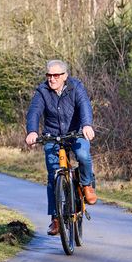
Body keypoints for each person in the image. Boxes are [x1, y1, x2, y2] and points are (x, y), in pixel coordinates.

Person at [25, 60, 97, 236]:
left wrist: (87, 125)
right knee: (52, 174)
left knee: (82, 155)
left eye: (56, 75)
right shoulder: (42, 91)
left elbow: (85, 106)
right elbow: (34, 112)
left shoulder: (76, 87)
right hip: (52, 136)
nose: (51, 79)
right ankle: (56, 219)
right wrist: (32, 131)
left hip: (76, 133)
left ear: (65, 76)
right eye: (49, 75)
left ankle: (87, 185)